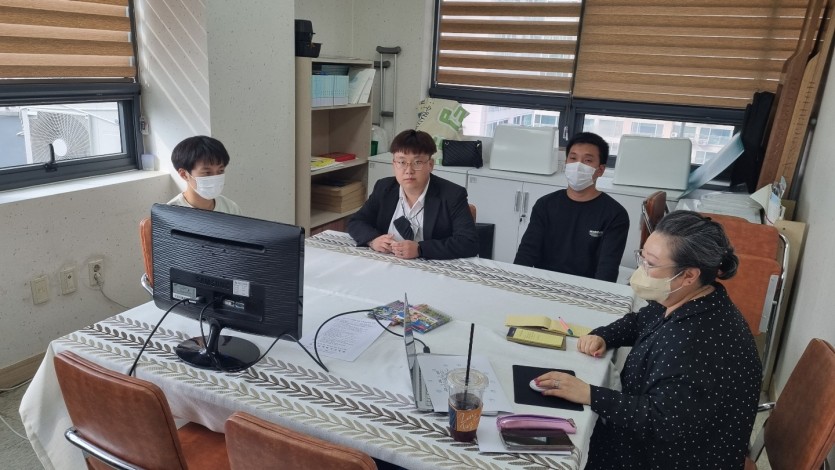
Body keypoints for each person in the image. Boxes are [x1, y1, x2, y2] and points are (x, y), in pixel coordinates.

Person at [534, 211, 761, 469]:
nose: (641, 270)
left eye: (651, 264)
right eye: (642, 258)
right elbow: (641, 320)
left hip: (674, 457)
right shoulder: (695, 297)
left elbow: (660, 419)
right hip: (662, 437)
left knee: (559, 444)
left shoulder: (695, 340)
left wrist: (589, 394)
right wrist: (605, 335)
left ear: (689, 275)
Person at [513, 132, 628, 282]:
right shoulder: (545, 205)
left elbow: (608, 268)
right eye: (573, 158)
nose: (578, 165)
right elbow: (527, 253)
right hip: (544, 282)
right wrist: (516, 282)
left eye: (587, 160)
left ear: (600, 170)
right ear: (566, 163)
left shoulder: (615, 214)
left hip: (587, 287)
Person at [348, 129, 478, 260]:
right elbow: (356, 221)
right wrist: (373, 240)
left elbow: (468, 242)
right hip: (387, 262)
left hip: (429, 266)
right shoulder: (384, 188)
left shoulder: (452, 195)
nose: (409, 170)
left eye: (417, 162)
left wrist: (420, 249)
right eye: (402, 162)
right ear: (394, 165)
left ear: (430, 165)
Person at [167, 135, 241, 215]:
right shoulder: (170, 213)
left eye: (220, 171)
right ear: (184, 174)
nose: (215, 177)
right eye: (207, 172)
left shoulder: (231, 208)